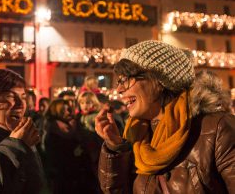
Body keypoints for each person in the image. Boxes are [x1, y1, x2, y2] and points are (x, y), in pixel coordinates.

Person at [95, 40, 235, 194]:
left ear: (160, 80)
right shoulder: (136, 136)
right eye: (118, 81)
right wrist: (115, 147)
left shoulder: (217, 128)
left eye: (126, 79)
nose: (119, 89)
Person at [42, 99, 97, 194]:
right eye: (63, 110)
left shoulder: (74, 126)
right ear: (56, 112)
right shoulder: (53, 131)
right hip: (65, 179)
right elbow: (58, 158)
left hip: (80, 178)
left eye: (69, 109)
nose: (68, 112)